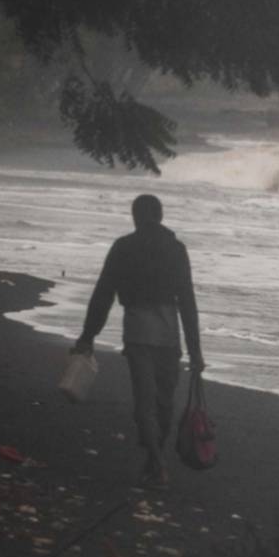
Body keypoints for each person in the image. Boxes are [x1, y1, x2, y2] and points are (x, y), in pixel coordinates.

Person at [73, 194, 204, 488]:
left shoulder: (123, 247)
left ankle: (155, 463)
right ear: (160, 215)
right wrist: (196, 351)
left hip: (138, 332)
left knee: (144, 402)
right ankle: (156, 461)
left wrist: (88, 336)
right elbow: (187, 301)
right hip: (170, 332)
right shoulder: (176, 249)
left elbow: (103, 295)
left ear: (135, 216)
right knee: (164, 402)